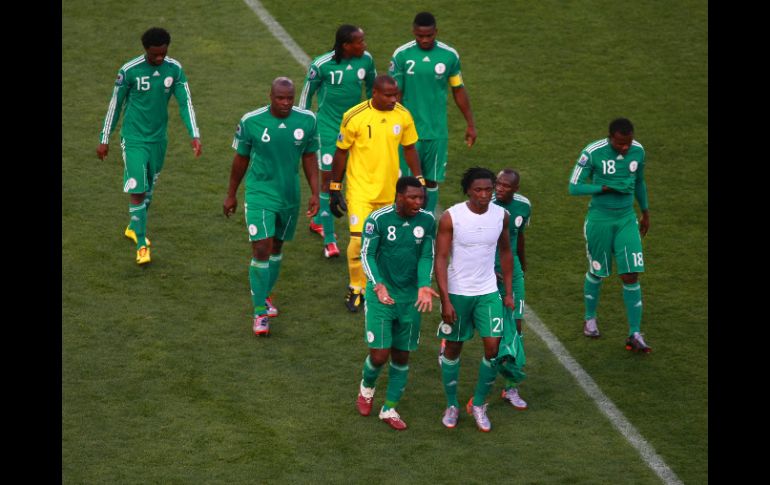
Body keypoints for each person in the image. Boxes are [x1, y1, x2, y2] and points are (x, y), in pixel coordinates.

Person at [223, 77, 319, 336]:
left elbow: (309, 156)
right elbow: (240, 160)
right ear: (270, 96)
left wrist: (315, 192)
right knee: (261, 246)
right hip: (259, 193)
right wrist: (231, 194)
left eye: (289, 98)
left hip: (289, 194)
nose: (286, 103)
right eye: (280, 98)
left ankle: (265, 295)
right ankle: (259, 312)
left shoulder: (307, 120)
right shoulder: (251, 121)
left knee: (276, 246)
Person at [97, 27, 202, 265]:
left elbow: (186, 103)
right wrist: (105, 139)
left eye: (163, 54)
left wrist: (194, 134)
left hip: (158, 140)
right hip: (133, 139)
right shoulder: (129, 71)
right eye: (155, 55)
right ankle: (142, 244)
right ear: (146, 50)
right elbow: (115, 105)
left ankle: (134, 227)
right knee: (138, 188)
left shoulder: (174, 69)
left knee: (149, 190)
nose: (159, 59)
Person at [329, 74, 424, 313]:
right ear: (374, 93)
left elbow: (410, 148)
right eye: (389, 95)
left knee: (387, 242)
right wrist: (334, 187)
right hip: (360, 190)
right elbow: (341, 152)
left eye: (396, 94)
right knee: (359, 239)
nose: (394, 99)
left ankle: (381, 285)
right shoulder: (354, 116)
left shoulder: (403, 115)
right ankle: (356, 287)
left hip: (391, 191)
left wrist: (420, 179)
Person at [434, 167, 514, 432]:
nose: (484, 195)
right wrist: (445, 300)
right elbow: (441, 258)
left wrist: (509, 292)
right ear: (467, 190)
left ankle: (478, 404)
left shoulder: (501, 216)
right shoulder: (451, 218)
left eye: (489, 189)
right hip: (458, 293)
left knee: (493, 348)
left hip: (488, 292)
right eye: (478, 190)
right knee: (454, 348)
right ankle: (451, 404)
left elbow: (505, 251)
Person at [355, 176, 439, 430]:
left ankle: (389, 408)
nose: (418, 202)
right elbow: (367, 253)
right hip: (382, 295)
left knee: (402, 356)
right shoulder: (378, 219)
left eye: (421, 198)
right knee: (380, 355)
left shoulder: (427, 220)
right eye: (413, 197)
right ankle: (367, 388)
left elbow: (427, 254)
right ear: (399, 196)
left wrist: (424, 283)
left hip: (410, 298)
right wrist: (378, 284)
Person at [568, 118, 651, 353]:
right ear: (610, 138)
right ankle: (589, 318)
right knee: (598, 271)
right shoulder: (592, 152)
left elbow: (640, 182)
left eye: (628, 142)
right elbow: (574, 187)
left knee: (631, 274)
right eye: (620, 144)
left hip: (626, 219)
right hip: (600, 221)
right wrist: (605, 188)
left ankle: (635, 333)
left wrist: (645, 212)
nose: (625, 147)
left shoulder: (638, 151)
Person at [299, 25, 377, 259]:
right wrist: (303, 125)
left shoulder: (366, 61)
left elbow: (373, 90)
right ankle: (330, 240)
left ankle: (317, 220)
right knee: (328, 183)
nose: (364, 45)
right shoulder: (322, 65)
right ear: (346, 45)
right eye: (360, 42)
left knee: (356, 179)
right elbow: (306, 95)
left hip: (357, 129)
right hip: (328, 130)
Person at [389, 11, 476, 215]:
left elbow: (458, 89)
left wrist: (470, 124)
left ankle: (426, 224)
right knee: (406, 182)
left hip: (437, 132)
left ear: (436, 32)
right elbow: (395, 93)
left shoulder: (449, 56)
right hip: (408, 132)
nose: (425, 40)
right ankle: (402, 224)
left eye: (429, 35)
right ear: (414, 32)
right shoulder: (402, 55)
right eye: (420, 36)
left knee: (431, 180)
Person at [492, 169, 531, 410]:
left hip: (512, 269)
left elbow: (520, 235)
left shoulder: (524, 206)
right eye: (498, 183)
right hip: (483, 268)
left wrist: (522, 265)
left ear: (515, 189)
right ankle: (448, 343)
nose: (499, 188)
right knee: (478, 321)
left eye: (506, 185)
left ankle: (510, 386)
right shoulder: (484, 204)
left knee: (516, 324)